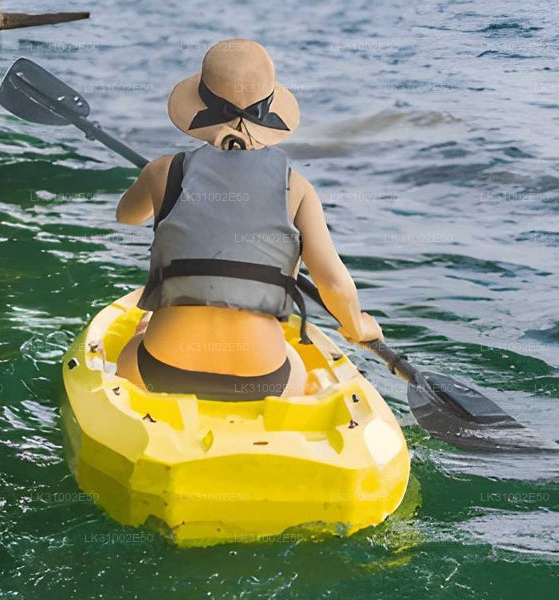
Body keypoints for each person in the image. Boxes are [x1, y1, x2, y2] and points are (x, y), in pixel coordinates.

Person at [114, 39, 382, 400]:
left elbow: (127, 216)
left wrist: (159, 186)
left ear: (200, 107)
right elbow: (333, 283)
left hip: (161, 369)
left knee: (140, 330)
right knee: (297, 361)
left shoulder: (164, 171)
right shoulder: (297, 188)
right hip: (263, 379)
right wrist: (357, 326)